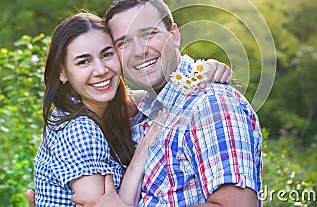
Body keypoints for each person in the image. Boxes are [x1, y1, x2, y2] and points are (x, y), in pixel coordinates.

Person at [72, 0, 263, 206]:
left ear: (174, 35)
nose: (138, 51)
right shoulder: (143, 112)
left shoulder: (211, 105)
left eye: (149, 35)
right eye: (123, 43)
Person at [28, 12, 232, 207]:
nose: (100, 70)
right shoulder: (79, 129)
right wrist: (139, 159)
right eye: (84, 61)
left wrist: (205, 68)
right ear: (62, 72)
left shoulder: (110, 107)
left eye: (107, 54)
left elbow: (164, 95)